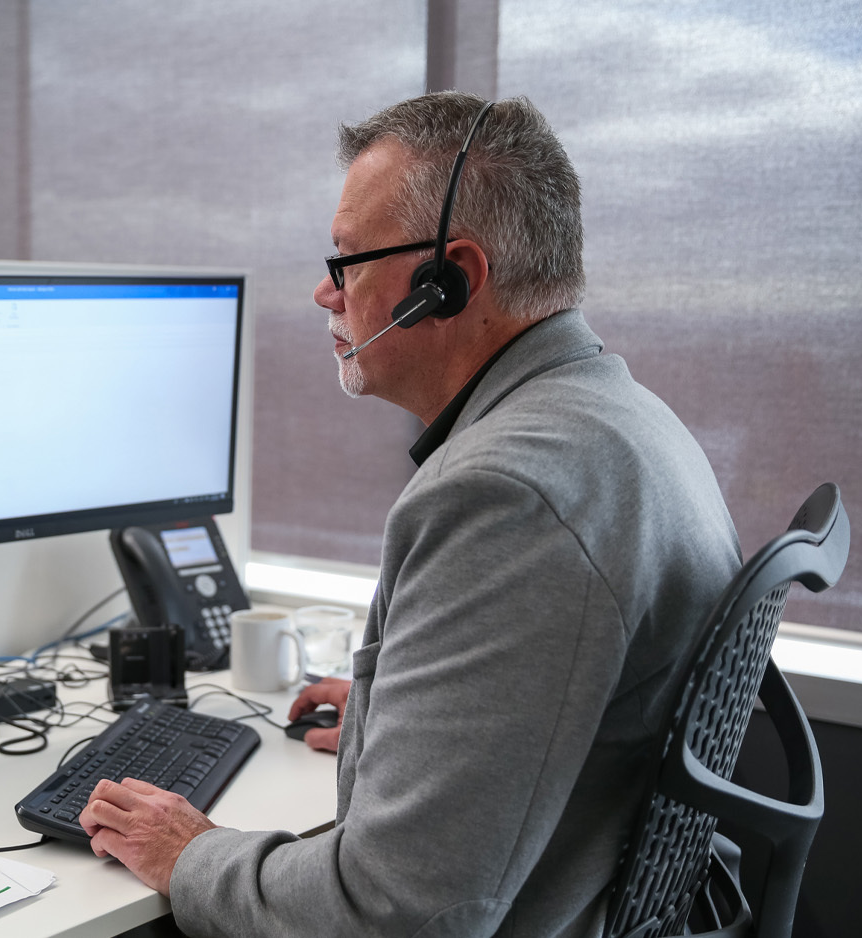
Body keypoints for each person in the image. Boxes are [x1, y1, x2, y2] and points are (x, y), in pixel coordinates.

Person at [80, 92, 741, 937]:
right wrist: (415, 724)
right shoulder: (621, 419)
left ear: (446, 281)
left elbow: (397, 913)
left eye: (348, 260)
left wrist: (192, 854)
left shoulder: (510, 492)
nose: (325, 292)